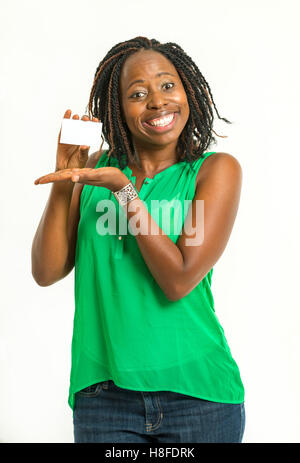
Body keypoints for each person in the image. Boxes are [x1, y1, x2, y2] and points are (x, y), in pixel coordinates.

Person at [31, 36, 245, 443]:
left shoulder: (212, 171)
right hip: (104, 396)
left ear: (189, 92)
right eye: (137, 93)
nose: (157, 102)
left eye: (168, 85)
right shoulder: (95, 172)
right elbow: (46, 271)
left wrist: (125, 192)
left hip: (197, 397)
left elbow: (178, 280)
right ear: (117, 108)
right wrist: (66, 180)